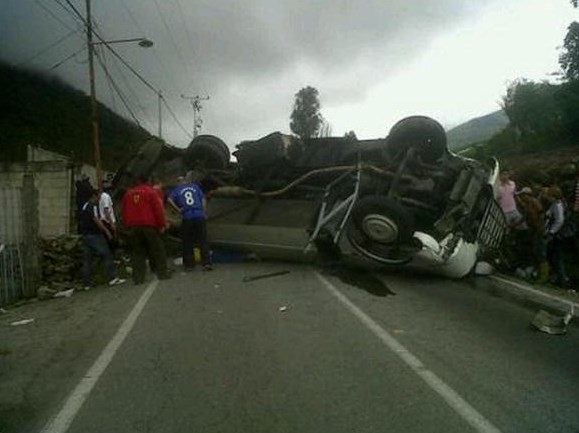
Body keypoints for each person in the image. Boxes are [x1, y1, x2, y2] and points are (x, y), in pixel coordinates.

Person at [122, 175, 170, 284]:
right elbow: (158, 210)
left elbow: (124, 211)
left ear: (137, 181)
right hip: (149, 226)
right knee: (158, 250)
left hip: (134, 226)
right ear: (148, 180)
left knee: (138, 253)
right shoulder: (151, 192)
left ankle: (138, 279)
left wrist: (127, 226)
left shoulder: (128, 194)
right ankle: (162, 273)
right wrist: (162, 225)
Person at [79, 188, 126, 290]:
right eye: (98, 197)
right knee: (107, 254)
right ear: (94, 196)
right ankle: (112, 277)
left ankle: (86, 284)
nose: (99, 199)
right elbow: (97, 220)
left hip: (86, 235)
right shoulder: (93, 206)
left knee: (87, 259)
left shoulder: (84, 206)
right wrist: (106, 231)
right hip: (94, 235)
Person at [168, 174, 213, 271]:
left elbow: (169, 199)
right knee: (203, 240)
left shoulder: (177, 190)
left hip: (187, 216)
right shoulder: (195, 187)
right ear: (186, 180)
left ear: (178, 182)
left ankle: (189, 265)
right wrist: (204, 212)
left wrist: (178, 209)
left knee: (187, 241)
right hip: (199, 215)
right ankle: (207, 263)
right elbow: (203, 199)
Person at [544, 186, 569, 288]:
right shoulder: (555, 204)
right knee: (553, 256)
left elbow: (560, 221)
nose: (548, 197)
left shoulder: (558, 205)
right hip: (555, 234)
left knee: (556, 257)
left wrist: (551, 232)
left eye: (549, 196)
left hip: (557, 235)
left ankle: (562, 280)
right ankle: (557, 278)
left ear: (553, 196)